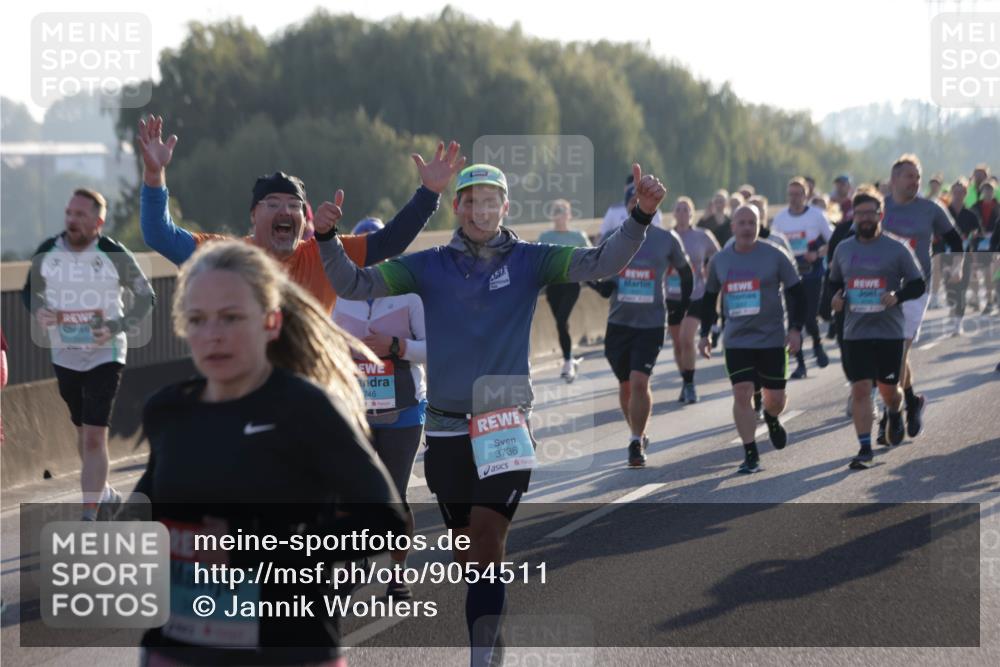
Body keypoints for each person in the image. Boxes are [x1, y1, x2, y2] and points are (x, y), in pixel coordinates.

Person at [318, 161, 663, 665]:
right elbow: (352, 285)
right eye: (471, 200)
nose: (481, 209)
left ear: (505, 207)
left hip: (504, 421)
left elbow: (600, 263)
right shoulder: (427, 265)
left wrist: (640, 216)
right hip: (445, 426)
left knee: (486, 537)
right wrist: (326, 236)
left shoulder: (530, 260)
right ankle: (491, 637)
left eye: (491, 200)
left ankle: (481, 656)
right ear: (457, 208)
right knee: (469, 555)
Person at [135, 240, 406, 667]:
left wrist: (253, 552)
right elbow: (145, 513)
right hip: (180, 648)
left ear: (271, 322)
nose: (214, 334)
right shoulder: (168, 409)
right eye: (198, 320)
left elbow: (386, 521)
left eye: (231, 317)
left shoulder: (307, 408)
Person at [136, 115, 462, 314]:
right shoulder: (228, 254)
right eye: (274, 204)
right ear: (253, 215)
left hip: (311, 390)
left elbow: (389, 242)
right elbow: (159, 235)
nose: (285, 211)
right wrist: (154, 176)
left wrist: (429, 193)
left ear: (304, 220)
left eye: (294, 206)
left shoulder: (324, 254)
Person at [22, 188, 155, 520]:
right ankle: (105, 493)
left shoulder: (113, 253)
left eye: (80, 215)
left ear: (98, 221)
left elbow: (145, 297)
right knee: (83, 435)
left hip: (105, 355)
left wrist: (116, 325)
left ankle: (89, 515)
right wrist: (40, 310)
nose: (72, 220)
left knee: (95, 437)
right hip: (64, 354)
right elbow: (29, 292)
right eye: (69, 213)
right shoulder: (47, 252)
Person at [332, 216, 428, 601]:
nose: (373, 256)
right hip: (353, 410)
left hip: (403, 410)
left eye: (381, 248)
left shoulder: (411, 294)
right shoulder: (338, 294)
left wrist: (398, 347)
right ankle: (357, 561)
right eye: (364, 248)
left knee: (395, 493)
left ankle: (397, 574)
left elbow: (433, 349)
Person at [699, 205, 806, 474]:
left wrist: (795, 329)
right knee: (742, 392)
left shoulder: (775, 256)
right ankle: (750, 453)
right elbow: (710, 297)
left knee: (776, 399)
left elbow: (796, 293)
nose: (747, 228)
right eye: (742, 223)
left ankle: (771, 418)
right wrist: (704, 334)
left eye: (752, 223)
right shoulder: (720, 261)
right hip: (736, 340)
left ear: (760, 226)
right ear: (733, 227)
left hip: (771, 338)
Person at [828, 188, 925, 469]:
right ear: (853, 217)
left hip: (889, 331)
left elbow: (918, 284)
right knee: (860, 390)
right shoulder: (844, 249)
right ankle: (864, 447)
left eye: (871, 213)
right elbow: (833, 282)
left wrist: (898, 296)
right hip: (855, 331)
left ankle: (895, 412)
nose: (865, 218)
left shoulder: (897, 248)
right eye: (860, 214)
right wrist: (834, 299)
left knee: (889, 390)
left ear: (880, 215)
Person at [593, 196, 692, 465]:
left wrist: (680, 308)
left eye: (643, 202)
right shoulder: (614, 236)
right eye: (633, 203)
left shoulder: (666, 239)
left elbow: (686, 273)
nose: (638, 206)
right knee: (625, 386)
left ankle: (635, 441)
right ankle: (638, 431)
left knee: (639, 381)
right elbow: (596, 268)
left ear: (654, 207)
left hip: (650, 324)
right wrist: (602, 285)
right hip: (618, 324)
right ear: (627, 208)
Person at [880, 154, 964, 442]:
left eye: (917, 177)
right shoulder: (881, 208)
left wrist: (953, 268)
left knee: (898, 348)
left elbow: (955, 239)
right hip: (881, 290)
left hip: (916, 288)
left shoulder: (931, 209)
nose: (915, 182)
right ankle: (912, 400)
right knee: (892, 350)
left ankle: (888, 416)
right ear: (894, 180)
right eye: (909, 177)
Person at [772, 176, 833, 378]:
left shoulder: (816, 216)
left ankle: (816, 344)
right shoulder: (780, 219)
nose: (794, 198)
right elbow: (774, 246)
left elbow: (832, 241)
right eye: (791, 194)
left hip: (813, 273)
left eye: (798, 194)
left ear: (806, 196)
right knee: (794, 320)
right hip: (790, 276)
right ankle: (800, 364)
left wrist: (818, 254)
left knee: (809, 317)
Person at [666, 196, 718, 405]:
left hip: (696, 294)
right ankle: (685, 381)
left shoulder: (702, 236)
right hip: (671, 296)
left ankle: (690, 385)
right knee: (678, 345)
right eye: (678, 209)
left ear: (692, 213)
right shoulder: (667, 237)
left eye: (686, 209)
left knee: (688, 340)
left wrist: (708, 266)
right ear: (674, 214)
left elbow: (718, 255)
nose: (682, 212)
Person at [539, 198, 592, 382]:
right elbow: (538, 263)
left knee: (562, 320)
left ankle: (568, 362)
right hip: (553, 287)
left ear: (569, 215)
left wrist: (595, 281)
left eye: (563, 211)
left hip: (571, 284)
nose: (560, 214)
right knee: (561, 324)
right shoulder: (545, 238)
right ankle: (569, 360)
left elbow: (591, 259)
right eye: (556, 211)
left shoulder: (578, 236)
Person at [945, 178, 982, 334]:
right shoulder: (944, 212)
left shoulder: (971, 215)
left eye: (961, 192)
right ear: (951, 193)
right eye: (956, 192)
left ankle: (957, 324)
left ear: (966, 194)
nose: (958, 195)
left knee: (961, 288)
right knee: (949, 289)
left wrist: (972, 239)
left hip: (965, 256)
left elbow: (977, 234)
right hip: (946, 255)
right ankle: (954, 309)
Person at [600, 173, 663, 238]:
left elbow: (656, 236)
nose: (634, 191)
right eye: (631, 188)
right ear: (625, 188)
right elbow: (603, 235)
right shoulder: (613, 210)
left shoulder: (653, 211)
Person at [970, 180, 998, 314]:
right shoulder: (975, 207)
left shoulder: (998, 206)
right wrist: (975, 232)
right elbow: (970, 224)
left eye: (990, 190)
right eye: (985, 190)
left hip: (993, 244)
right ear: (982, 191)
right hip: (978, 242)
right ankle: (975, 299)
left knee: (988, 273)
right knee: (974, 272)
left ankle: (989, 301)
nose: (988, 192)